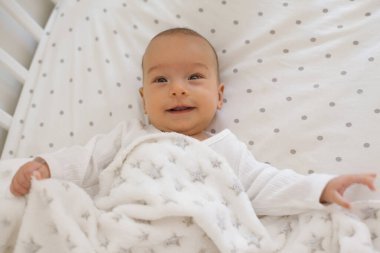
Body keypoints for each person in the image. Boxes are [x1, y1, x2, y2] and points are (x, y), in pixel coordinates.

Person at [9, 27, 376, 215]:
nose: (177, 90)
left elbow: (265, 185)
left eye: (194, 78)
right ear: (143, 99)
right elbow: (86, 160)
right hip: (121, 227)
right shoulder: (130, 136)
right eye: (161, 80)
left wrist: (321, 189)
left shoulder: (225, 148)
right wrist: (46, 165)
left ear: (218, 95)